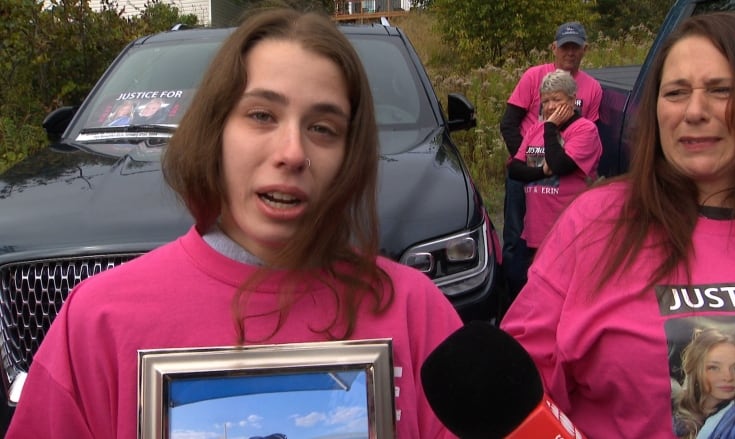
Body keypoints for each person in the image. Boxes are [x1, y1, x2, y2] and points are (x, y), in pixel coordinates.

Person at [6, 8, 462, 439]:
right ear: (215, 131)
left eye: (323, 128)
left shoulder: (416, 313)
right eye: (261, 115)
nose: (292, 152)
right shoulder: (97, 322)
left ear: (349, 156)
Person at [500, 11, 735, 439]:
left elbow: (547, 165)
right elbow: (516, 390)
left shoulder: (583, 129)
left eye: (721, 90)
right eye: (676, 92)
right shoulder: (598, 222)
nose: (694, 111)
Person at [499, 21, 603, 299]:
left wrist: (556, 160)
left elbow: (584, 134)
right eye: (565, 47)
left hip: (565, 168)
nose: (570, 53)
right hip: (531, 159)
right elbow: (509, 123)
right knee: (515, 237)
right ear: (554, 48)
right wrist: (531, 157)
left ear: (584, 50)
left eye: (575, 48)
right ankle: (513, 298)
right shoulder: (534, 77)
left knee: (561, 241)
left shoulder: (592, 89)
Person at [506, 69, 601, 257]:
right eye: (546, 101)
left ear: (572, 100)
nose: (550, 107)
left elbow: (560, 165)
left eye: (557, 99)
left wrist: (550, 127)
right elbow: (515, 170)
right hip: (536, 232)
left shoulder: (585, 130)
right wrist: (542, 172)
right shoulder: (535, 130)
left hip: (571, 231)